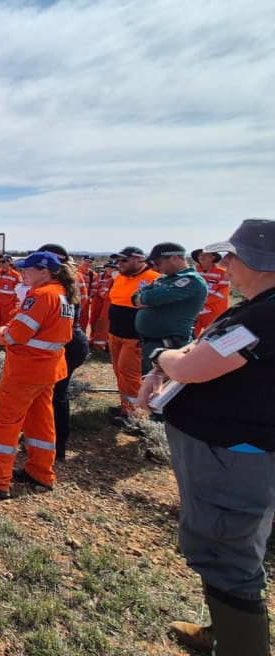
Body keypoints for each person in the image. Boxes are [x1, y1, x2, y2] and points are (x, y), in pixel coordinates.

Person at [138, 219, 275, 656]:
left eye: (232, 255)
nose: (225, 263)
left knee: (226, 551)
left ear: (261, 261)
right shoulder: (260, 308)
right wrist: (168, 368)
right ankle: (226, 633)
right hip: (235, 450)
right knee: (232, 548)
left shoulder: (266, 315)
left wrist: (162, 356)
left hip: (235, 455)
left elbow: (196, 366)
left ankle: (240, 646)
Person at [0, 251, 74, 499]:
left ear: (44, 271)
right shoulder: (61, 293)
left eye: (28, 269)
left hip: (26, 370)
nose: (23, 272)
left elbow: (17, 335)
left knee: (7, 422)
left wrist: (2, 332)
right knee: (40, 421)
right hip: (48, 369)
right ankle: (40, 472)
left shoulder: (41, 295)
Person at [37, 244, 89, 461]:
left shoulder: (53, 289)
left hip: (65, 345)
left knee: (56, 395)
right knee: (53, 394)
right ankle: (48, 440)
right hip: (71, 343)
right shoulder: (66, 283)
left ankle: (55, 445)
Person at [133, 242, 207, 375]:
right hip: (152, 344)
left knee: (165, 388)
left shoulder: (191, 281)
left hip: (170, 346)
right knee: (149, 384)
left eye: (157, 262)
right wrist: (146, 299)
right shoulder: (165, 279)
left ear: (174, 258)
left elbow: (151, 298)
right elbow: (135, 296)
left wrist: (147, 299)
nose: (155, 267)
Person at [106, 246, 161, 423]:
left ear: (139, 260)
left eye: (124, 260)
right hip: (115, 333)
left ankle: (134, 414)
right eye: (118, 260)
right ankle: (126, 405)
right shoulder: (120, 277)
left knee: (129, 375)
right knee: (119, 372)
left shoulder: (154, 278)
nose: (119, 264)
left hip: (134, 337)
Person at [193, 248, 230, 338]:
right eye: (200, 255)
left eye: (205, 254)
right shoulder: (193, 272)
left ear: (213, 257)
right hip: (194, 312)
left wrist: (202, 302)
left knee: (213, 338)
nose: (201, 257)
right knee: (191, 338)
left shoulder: (222, 273)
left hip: (214, 313)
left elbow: (222, 294)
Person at [88, 260, 116, 351]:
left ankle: (99, 347)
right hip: (96, 303)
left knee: (103, 324)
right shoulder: (98, 276)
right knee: (93, 322)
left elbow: (108, 294)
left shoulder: (116, 278)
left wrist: (101, 292)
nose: (110, 269)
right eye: (108, 266)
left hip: (107, 304)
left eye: (112, 267)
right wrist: (100, 292)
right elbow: (94, 289)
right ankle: (92, 342)